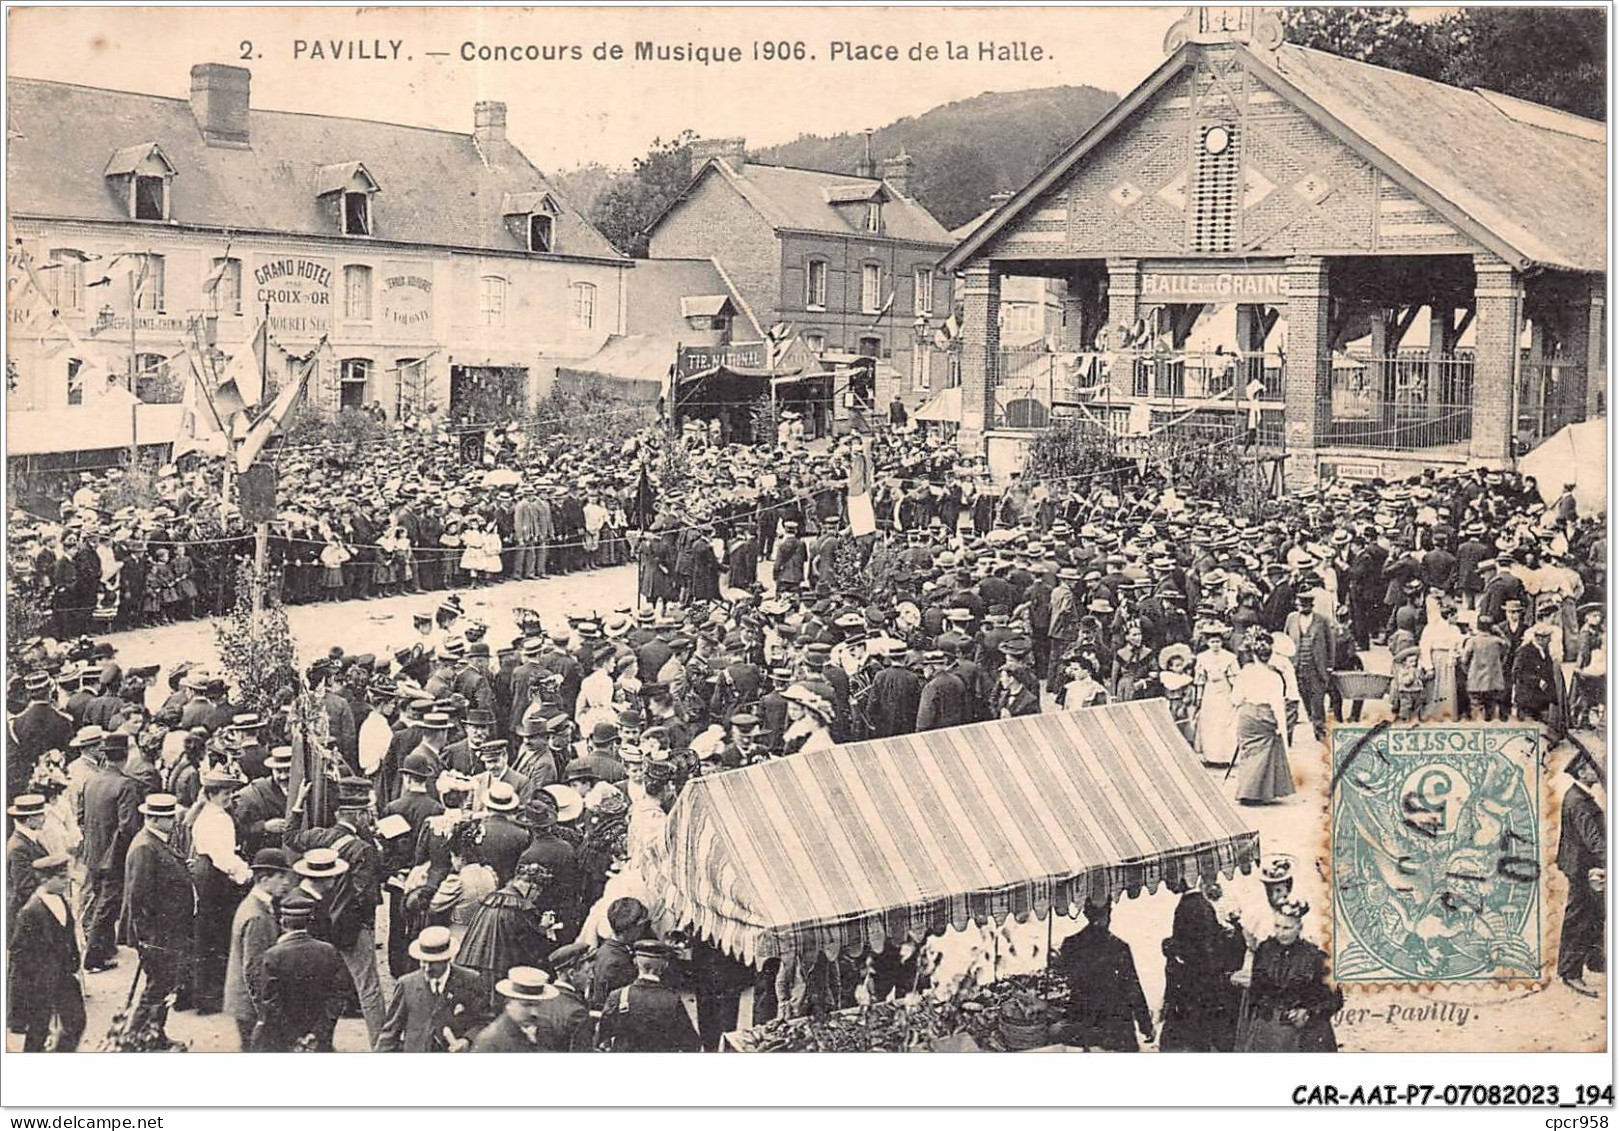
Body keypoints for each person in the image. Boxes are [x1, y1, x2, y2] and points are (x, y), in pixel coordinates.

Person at [120, 793, 196, 1043]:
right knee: (157, 987)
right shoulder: (145, 846)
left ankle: (154, 1034)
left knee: (162, 986)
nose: (173, 820)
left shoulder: (156, 841)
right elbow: (139, 898)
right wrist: (148, 940)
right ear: (153, 819)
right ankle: (134, 1036)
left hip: (166, 933)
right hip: (157, 936)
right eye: (168, 817)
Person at [186, 766, 253, 1014]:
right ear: (212, 794)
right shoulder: (217, 819)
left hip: (207, 874)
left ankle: (205, 993)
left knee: (208, 934)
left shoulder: (206, 814)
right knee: (215, 935)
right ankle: (209, 996)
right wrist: (245, 874)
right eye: (224, 793)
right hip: (215, 877)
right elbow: (223, 857)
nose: (228, 797)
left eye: (230, 792)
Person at [1237, 898, 1343, 1052]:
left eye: (1287, 928)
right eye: (1277, 926)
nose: (1281, 933)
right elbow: (1256, 990)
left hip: (1303, 1035)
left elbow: (1335, 999)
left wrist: (1308, 1012)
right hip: (1269, 1032)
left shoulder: (1315, 957)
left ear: (1299, 928)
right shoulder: (1265, 950)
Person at [6, 854, 85, 1052]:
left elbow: (67, 934)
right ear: (44, 880)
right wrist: (36, 977)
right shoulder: (30, 911)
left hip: (64, 976)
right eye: (62, 877)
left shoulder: (60, 900)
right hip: (40, 983)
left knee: (76, 1022)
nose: (67, 880)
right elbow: (18, 952)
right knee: (38, 1031)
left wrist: (73, 963)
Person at [1158, 877, 1246, 1052]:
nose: (1167, 882)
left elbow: (1200, 951)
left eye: (1171, 877)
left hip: (1193, 993)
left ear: (1183, 878)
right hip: (1199, 992)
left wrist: (1171, 946)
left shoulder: (1191, 906)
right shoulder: (1199, 905)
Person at [1054, 899, 1153, 1052]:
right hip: (1116, 1031)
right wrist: (1146, 1026)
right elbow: (1133, 988)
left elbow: (1062, 981)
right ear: (1108, 914)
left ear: (1086, 913)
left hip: (1083, 1027)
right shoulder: (1119, 947)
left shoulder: (1071, 944)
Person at [254, 890, 347, 1051]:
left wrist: (294, 1038)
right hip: (319, 1039)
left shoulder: (273, 955)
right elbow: (337, 997)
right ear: (310, 921)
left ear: (282, 922)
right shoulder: (329, 951)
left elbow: (270, 1003)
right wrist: (316, 1034)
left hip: (283, 1040)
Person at [223, 847, 296, 1050]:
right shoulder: (257, 916)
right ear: (264, 879)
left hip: (246, 1003)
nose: (287, 883)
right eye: (281, 877)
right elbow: (255, 969)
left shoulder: (256, 905)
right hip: (251, 1006)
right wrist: (265, 1012)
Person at [375, 925, 491, 1052]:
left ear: (447, 958)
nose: (427, 968)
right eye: (423, 961)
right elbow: (390, 1033)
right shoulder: (407, 984)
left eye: (433, 962)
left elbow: (484, 1021)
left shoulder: (470, 980)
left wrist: (466, 1040)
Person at [1556, 743, 1606, 997]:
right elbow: (1592, 839)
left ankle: (1595, 959)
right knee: (1579, 917)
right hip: (1581, 868)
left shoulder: (1581, 795)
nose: (1597, 771)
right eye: (1591, 768)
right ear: (1581, 771)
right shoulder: (1578, 801)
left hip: (1586, 864)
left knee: (1598, 911)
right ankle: (1570, 972)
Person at [596, 939, 702, 1051]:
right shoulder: (673, 1000)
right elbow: (692, 1044)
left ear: (635, 962)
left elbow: (602, 1038)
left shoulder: (619, 996)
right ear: (665, 965)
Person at [1231, 632, 1295, 805]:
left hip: (1247, 714)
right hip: (1266, 715)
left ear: (1253, 655)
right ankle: (1255, 792)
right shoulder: (1275, 677)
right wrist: (1282, 727)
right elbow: (1277, 704)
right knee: (1263, 754)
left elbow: (1235, 698)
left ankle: (1247, 790)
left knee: (1248, 752)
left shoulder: (1245, 673)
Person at [471, 966, 556, 1051]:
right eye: (526, 1005)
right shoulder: (491, 1040)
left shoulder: (546, 1030)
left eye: (537, 1005)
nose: (534, 1012)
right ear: (509, 1002)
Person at [7, 793, 53, 925]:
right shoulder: (19, 847)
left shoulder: (29, 840)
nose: (44, 819)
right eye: (40, 816)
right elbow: (24, 887)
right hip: (26, 914)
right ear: (28, 820)